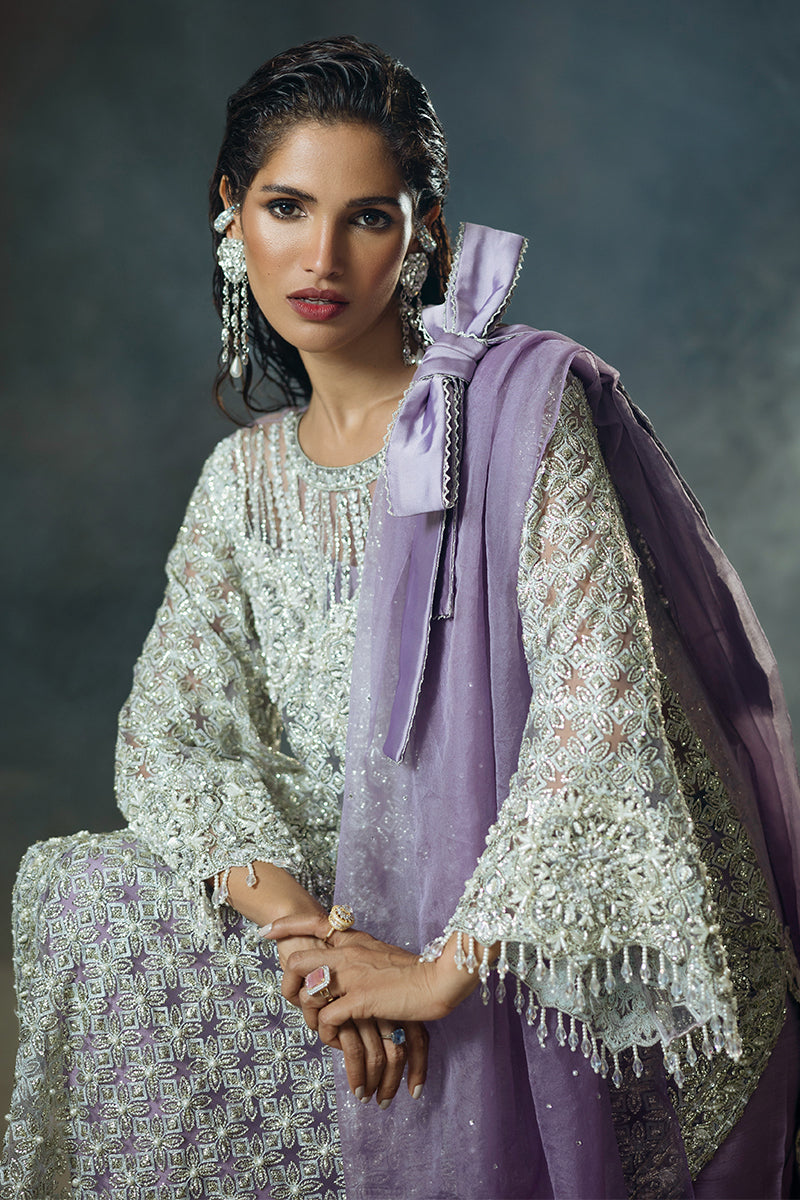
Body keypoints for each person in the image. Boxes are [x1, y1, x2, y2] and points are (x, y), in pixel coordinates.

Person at [3, 33, 800, 1200]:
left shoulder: (514, 413)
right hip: (328, 886)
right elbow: (173, 735)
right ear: (231, 214)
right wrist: (311, 943)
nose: (319, 257)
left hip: (492, 899)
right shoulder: (242, 483)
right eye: (285, 207)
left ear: (421, 234)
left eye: (366, 218)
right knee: (88, 890)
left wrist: (433, 974)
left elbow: (598, 705)